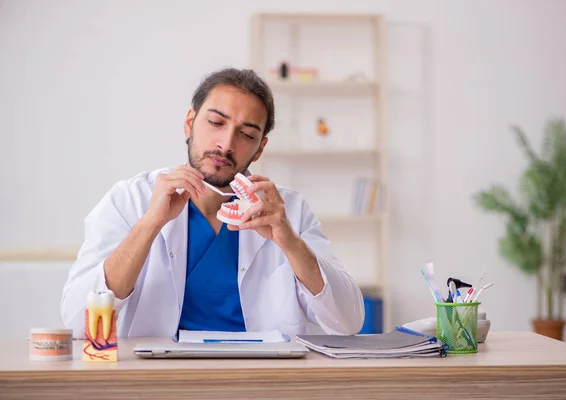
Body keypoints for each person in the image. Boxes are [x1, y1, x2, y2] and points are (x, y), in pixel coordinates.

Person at [61, 67, 365, 339]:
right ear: (189, 123)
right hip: (158, 381)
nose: (226, 143)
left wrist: (291, 243)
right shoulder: (130, 200)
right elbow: (78, 322)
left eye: (246, 134)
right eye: (216, 122)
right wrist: (149, 224)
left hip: (262, 380)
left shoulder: (288, 211)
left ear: (259, 150)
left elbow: (347, 323)